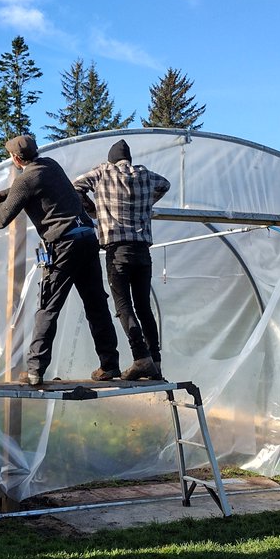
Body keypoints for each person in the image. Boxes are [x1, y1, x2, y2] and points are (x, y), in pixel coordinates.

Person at [0, 134, 121, 386]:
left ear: (16, 158)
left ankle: (35, 370)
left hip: (64, 245)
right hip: (87, 238)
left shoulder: (25, 179)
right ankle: (110, 364)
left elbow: (3, 218)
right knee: (96, 304)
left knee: (48, 307)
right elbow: (27, 186)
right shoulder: (50, 165)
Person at [73, 138, 171, 380]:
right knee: (143, 307)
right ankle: (155, 363)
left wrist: (93, 209)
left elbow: (75, 186)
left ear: (111, 159)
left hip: (117, 251)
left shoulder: (103, 172)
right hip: (142, 251)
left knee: (123, 307)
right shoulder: (145, 174)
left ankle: (141, 358)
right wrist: (146, 203)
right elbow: (165, 184)